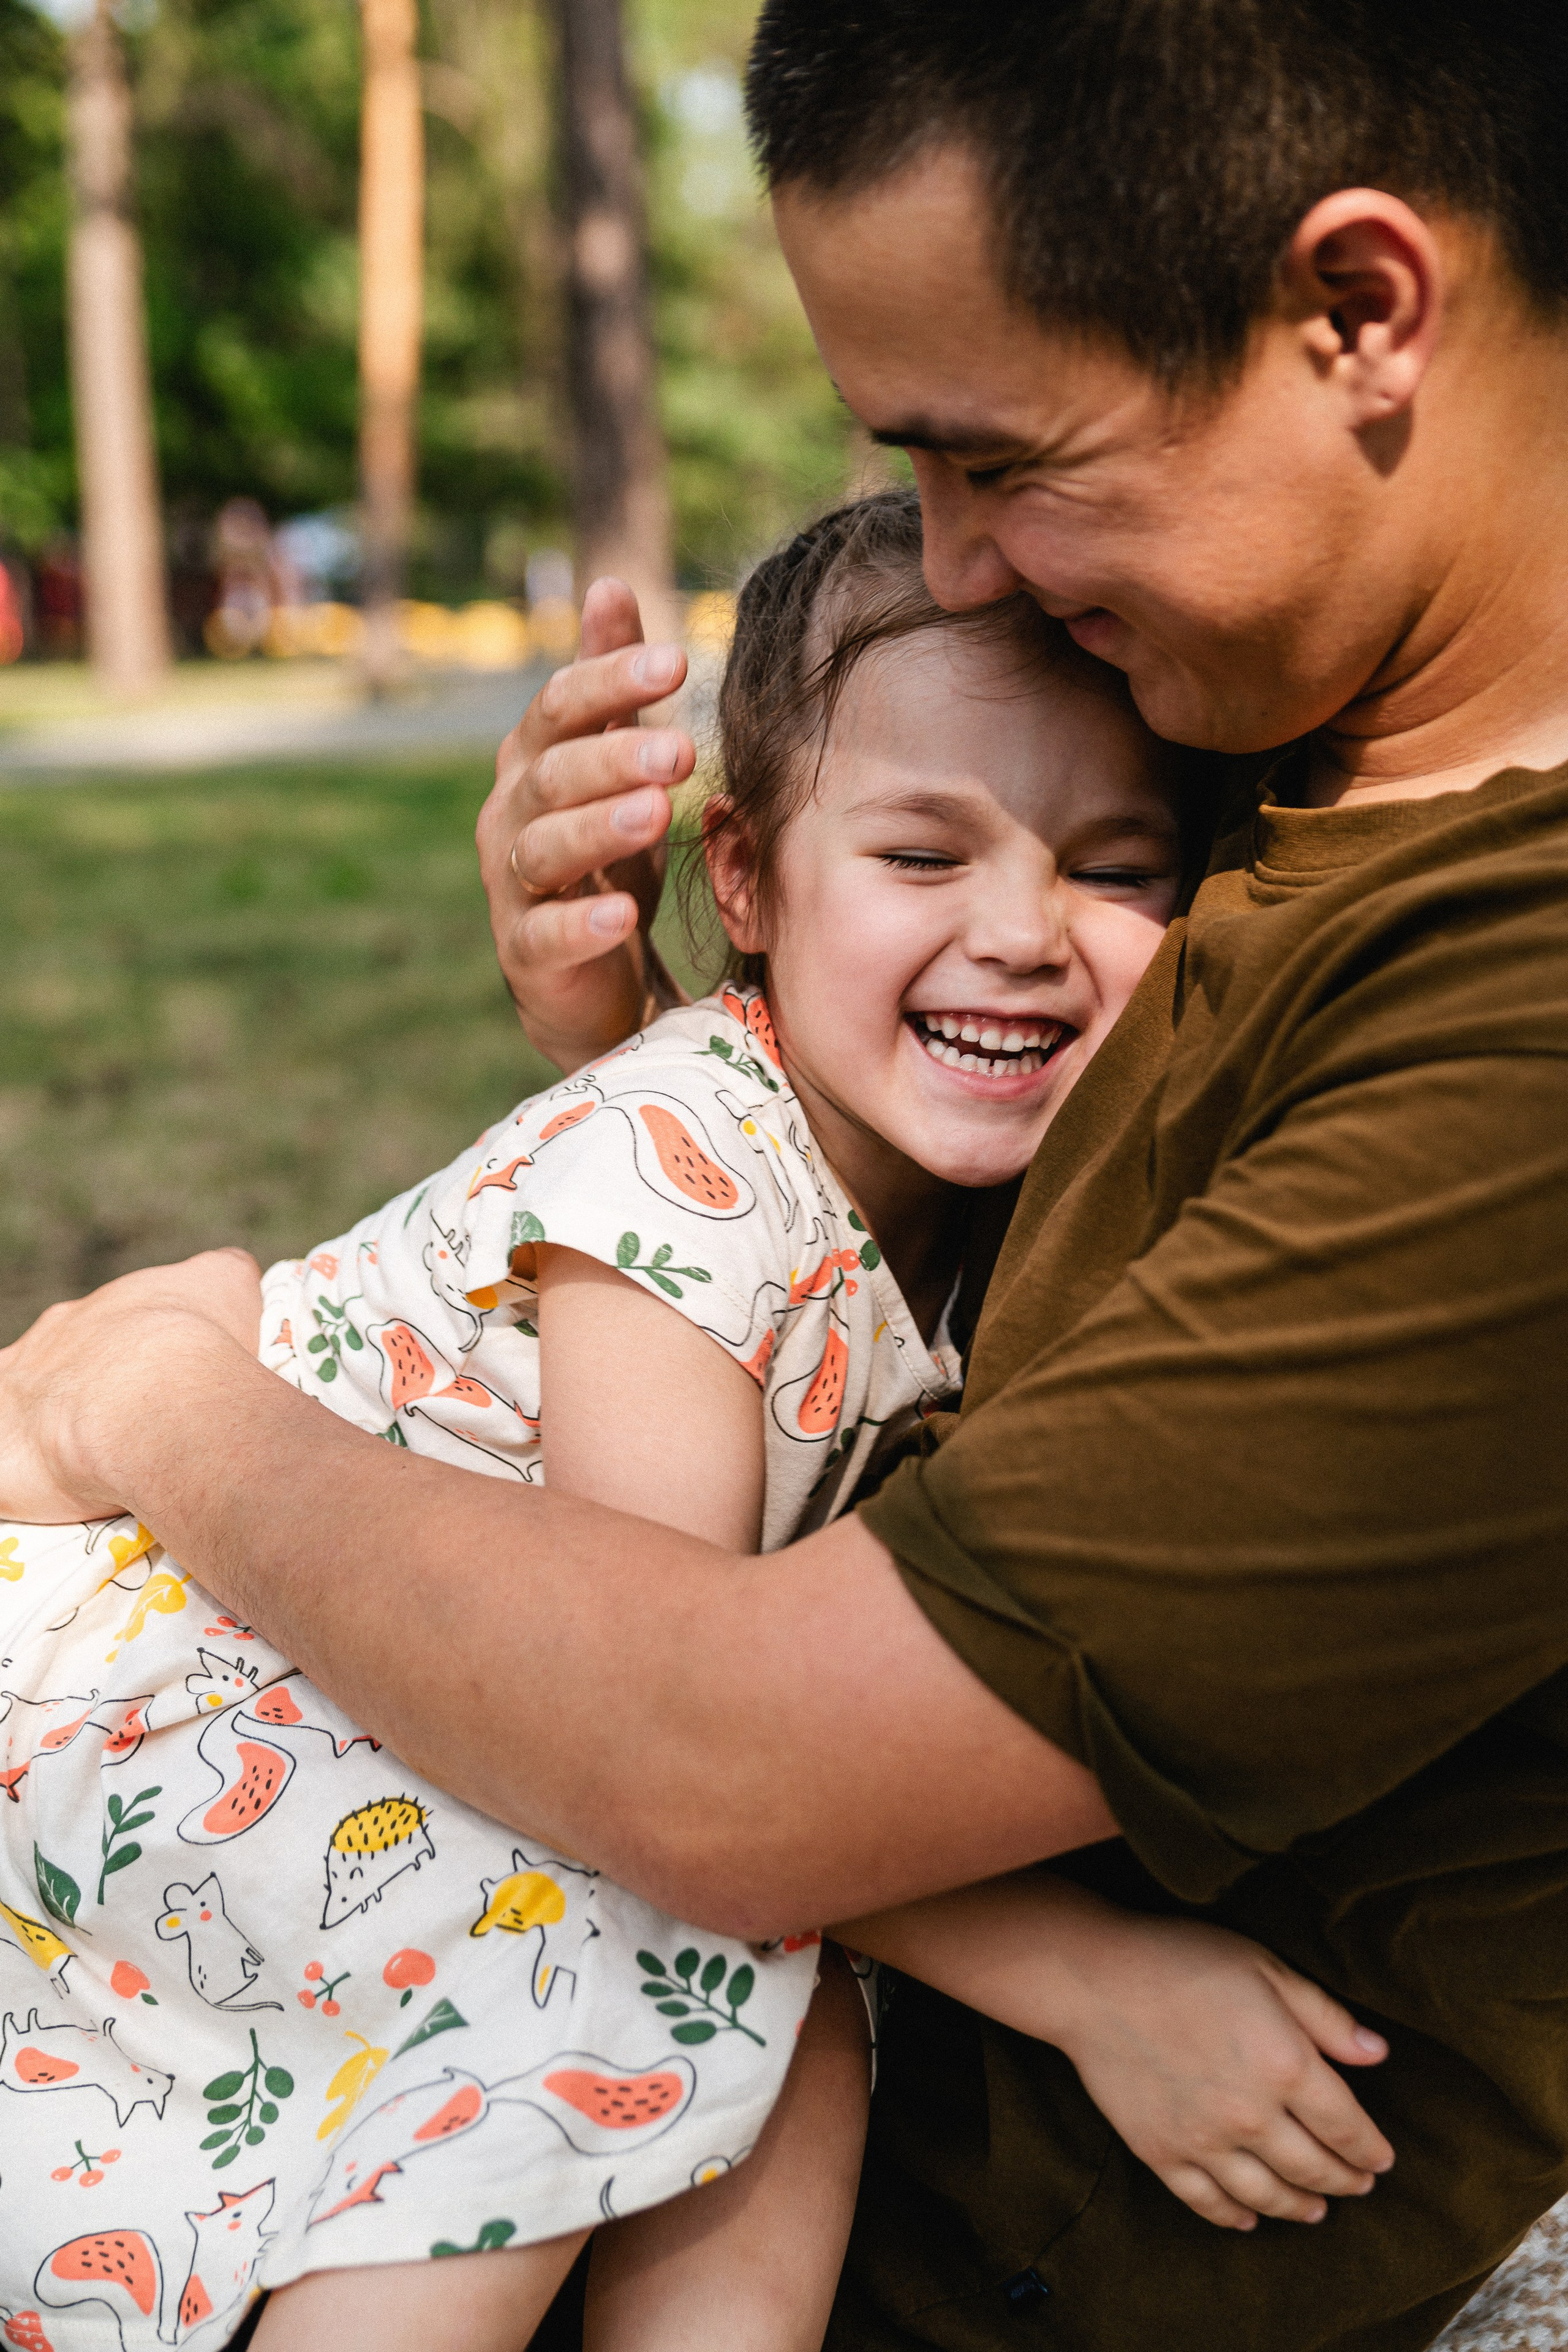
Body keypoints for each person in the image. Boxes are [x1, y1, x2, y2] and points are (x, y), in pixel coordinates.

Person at [3, 2, 1567, 2344]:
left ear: (1359, 313)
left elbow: (705, 1759)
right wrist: (669, 1070)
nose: (969, 570)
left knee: (596, 2055)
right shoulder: (1293, 709)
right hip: (413, 1865)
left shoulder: (1508, 1031)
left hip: (831, 2070)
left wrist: (158, 1407)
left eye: (998, 458)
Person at [0, 496, 1390, 2352]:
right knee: (596, 2006)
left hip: (449, 1722)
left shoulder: (970, 1195)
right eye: (921, 850)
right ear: (741, 879)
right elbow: (641, 1732)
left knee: (775, 2021)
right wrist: (1091, 1980)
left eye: (1116, 865)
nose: (1024, 932)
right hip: (241, 1684)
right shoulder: (685, 1181)